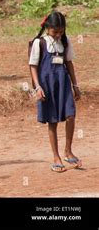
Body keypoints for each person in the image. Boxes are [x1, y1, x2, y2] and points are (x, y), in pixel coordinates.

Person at [29, 11, 82, 173]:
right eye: (55, 32)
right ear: (47, 28)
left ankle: (68, 150)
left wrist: (75, 85)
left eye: (61, 31)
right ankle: (56, 157)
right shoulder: (40, 43)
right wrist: (37, 87)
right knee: (52, 121)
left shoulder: (65, 42)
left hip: (64, 84)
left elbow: (69, 63)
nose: (58, 35)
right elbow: (33, 66)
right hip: (47, 86)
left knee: (71, 115)